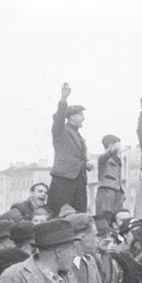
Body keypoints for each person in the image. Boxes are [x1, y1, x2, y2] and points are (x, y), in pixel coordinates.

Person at [48, 83, 92, 214]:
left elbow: (77, 159)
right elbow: (59, 118)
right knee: (61, 213)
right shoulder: (61, 130)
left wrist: (85, 165)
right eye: (80, 114)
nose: (83, 117)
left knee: (79, 215)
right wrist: (63, 99)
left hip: (79, 180)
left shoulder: (78, 135)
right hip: (64, 180)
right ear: (71, 116)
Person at [95, 134, 125, 216]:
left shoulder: (117, 159)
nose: (120, 147)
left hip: (117, 192)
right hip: (106, 191)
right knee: (105, 216)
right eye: (118, 144)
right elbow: (107, 154)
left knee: (118, 216)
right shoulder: (103, 158)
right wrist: (113, 149)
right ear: (111, 145)